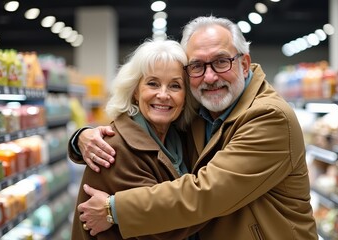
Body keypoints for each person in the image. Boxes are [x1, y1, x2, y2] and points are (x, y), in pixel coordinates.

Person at [70, 15, 318, 240]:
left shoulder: (270, 117)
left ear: (244, 64)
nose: (210, 77)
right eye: (198, 66)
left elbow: (206, 193)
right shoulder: (201, 114)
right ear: (135, 91)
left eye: (221, 61)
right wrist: (81, 137)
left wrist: (114, 209)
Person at [70, 39, 206, 240]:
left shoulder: (179, 137)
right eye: (153, 83)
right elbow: (163, 226)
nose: (163, 94)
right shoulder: (115, 149)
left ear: (186, 96)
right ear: (135, 91)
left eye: (175, 86)